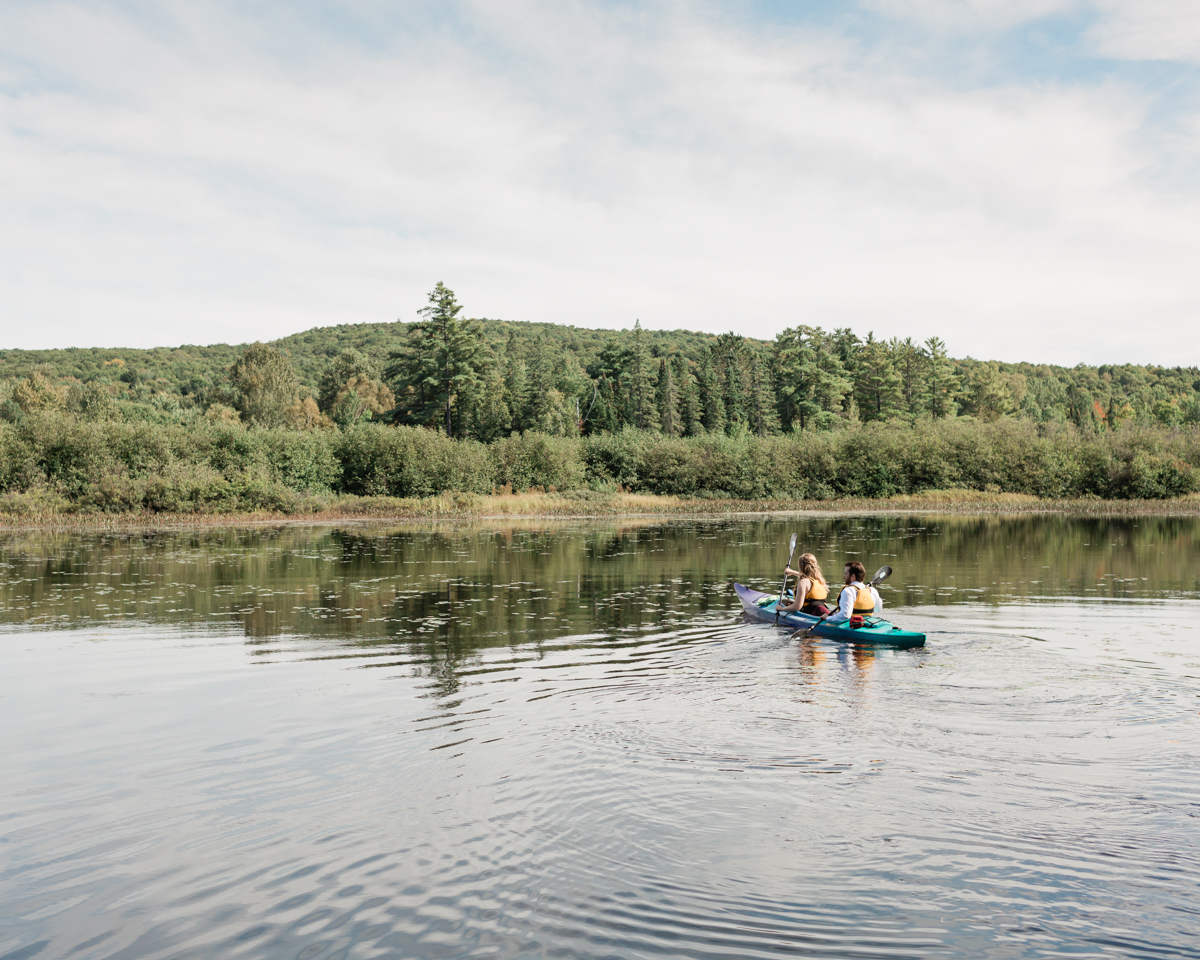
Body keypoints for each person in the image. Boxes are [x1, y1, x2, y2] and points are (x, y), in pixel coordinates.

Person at [827, 560, 881, 625]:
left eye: (846, 574)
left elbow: (845, 616)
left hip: (852, 625)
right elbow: (878, 609)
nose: (844, 576)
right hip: (868, 623)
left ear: (853, 576)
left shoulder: (848, 591)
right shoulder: (872, 590)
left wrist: (827, 618)